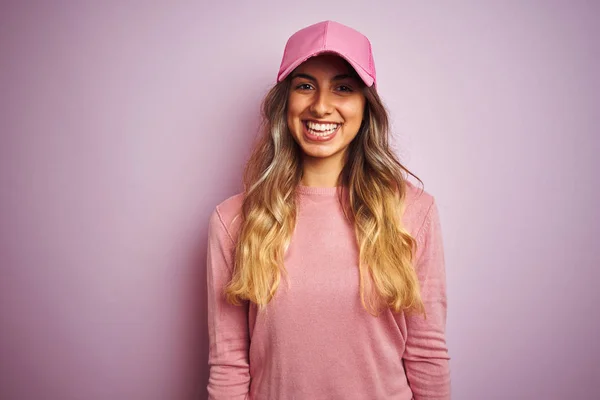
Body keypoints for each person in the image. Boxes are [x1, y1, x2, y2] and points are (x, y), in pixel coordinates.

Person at [206, 20, 450, 400]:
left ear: (365, 106)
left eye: (343, 88)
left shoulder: (413, 212)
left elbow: (427, 354)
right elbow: (229, 363)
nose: (321, 106)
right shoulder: (234, 220)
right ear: (283, 102)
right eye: (305, 86)